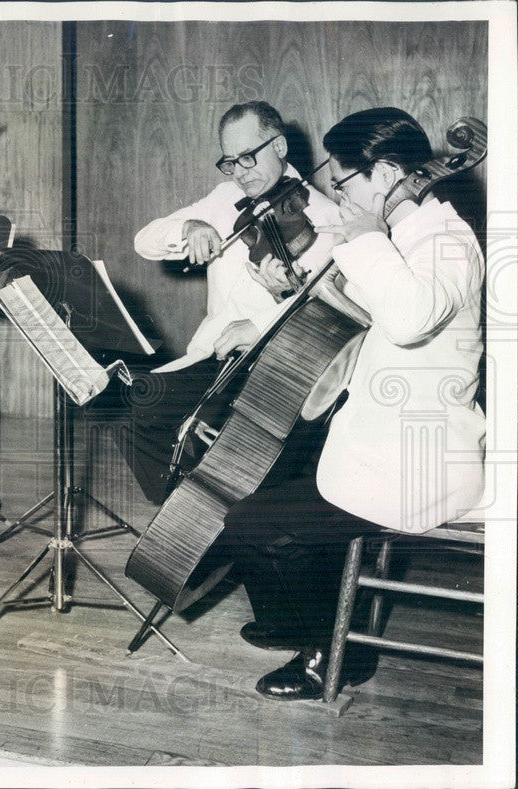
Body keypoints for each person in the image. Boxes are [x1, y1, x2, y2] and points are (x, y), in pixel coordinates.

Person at [205, 107, 486, 700]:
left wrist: (362, 242)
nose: (340, 196)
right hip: (377, 438)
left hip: (419, 458)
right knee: (258, 496)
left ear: (386, 174)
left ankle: (333, 655)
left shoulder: (447, 243)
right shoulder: (403, 237)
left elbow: (408, 318)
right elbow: (357, 318)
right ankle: (307, 623)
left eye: (345, 182)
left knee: (259, 526)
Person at [123, 101, 340, 502]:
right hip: (213, 354)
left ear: (279, 146)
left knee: (232, 446)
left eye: (247, 158)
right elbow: (145, 240)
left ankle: (225, 522)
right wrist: (191, 226)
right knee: (138, 401)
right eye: (230, 162)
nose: (240, 173)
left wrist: (282, 297)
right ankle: (176, 510)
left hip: (275, 367)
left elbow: (325, 315)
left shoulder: (327, 219)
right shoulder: (224, 199)